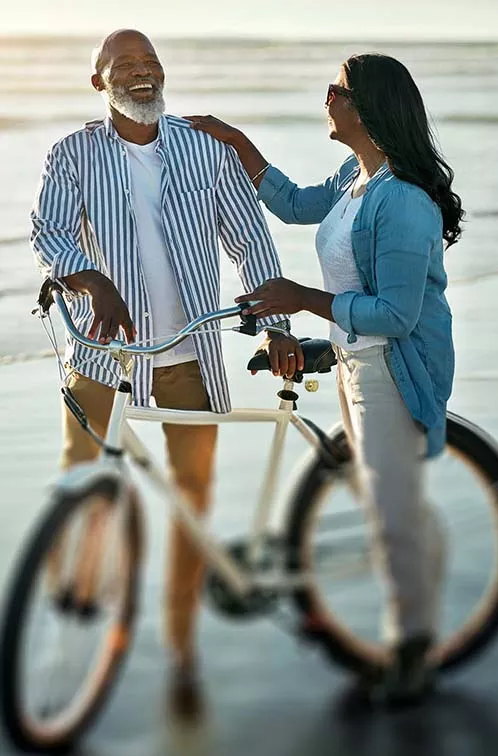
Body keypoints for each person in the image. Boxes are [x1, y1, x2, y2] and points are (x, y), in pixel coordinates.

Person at [30, 28, 302, 720]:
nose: (142, 73)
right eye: (125, 65)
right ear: (100, 83)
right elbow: (49, 230)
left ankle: (181, 643)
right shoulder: (74, 155)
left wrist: (274, 327)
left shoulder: (205, 153)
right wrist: (86, 276)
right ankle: (81, 601)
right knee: (81, 476)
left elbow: (251, 240)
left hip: (188, 358)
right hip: (102, 356)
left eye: (151, 62)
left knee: (193, 500)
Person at [186, 52, 464, 705]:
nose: (326, 95)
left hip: (391, 367)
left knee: (392, 517)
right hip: (352, 355)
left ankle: (414, 651)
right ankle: (413, 591)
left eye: (335, 88)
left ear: (362, 109)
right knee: (383, 499)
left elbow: (397, 315)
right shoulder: (354, 176)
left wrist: (302, 300)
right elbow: (291, 204)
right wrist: (236, 141)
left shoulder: (402, 203)